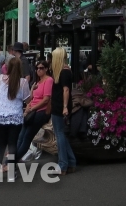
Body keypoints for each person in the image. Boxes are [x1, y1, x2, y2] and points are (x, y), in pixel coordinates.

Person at [0, 56, 32, 182]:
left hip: (0, 115)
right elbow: (27, 100)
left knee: (1, 144)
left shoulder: (0, 78)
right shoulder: (23, 82)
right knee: (12, 145)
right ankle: (11, 174)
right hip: (15, 116)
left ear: (8, 67)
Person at [18, 59, 53, 161]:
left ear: (46, 69)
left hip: (40, 111)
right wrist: (32, 89)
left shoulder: (48, 80)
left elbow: (46, 99)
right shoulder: (38, 81)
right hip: (31, 111)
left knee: (27, 137)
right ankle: (13, 158)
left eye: (41, 68)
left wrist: (32, 108)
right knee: (21, 136)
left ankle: (11, 161)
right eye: (37, 68)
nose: (39, 70)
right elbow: (31, 98)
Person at [50, 46, 77, 175]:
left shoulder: (64, 72)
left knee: (59, 134)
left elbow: (66, 90)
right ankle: (70, 162)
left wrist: (65, 106)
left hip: (59, 106)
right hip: (59, 105)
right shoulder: (64, 71)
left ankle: (63, 164)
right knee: (60, 134)